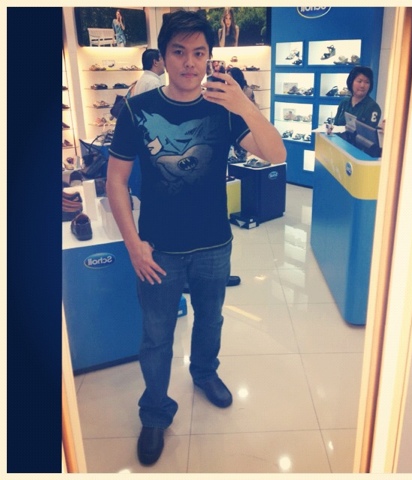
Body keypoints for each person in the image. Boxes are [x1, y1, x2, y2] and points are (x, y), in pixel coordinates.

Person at [106, 10, 286, 466]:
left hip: (213, 244)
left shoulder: (224, 109)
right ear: (164, 56)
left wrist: (244, 104)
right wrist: (132, 244)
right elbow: (116, 181)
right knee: (156, 336)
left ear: (209, 57)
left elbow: (275, 154)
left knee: (210, 321)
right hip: (157, 249)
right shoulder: (137, 109)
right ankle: (155, 412)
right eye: (179, 52)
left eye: (199, 53)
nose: (190, 62)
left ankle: (204, 372)